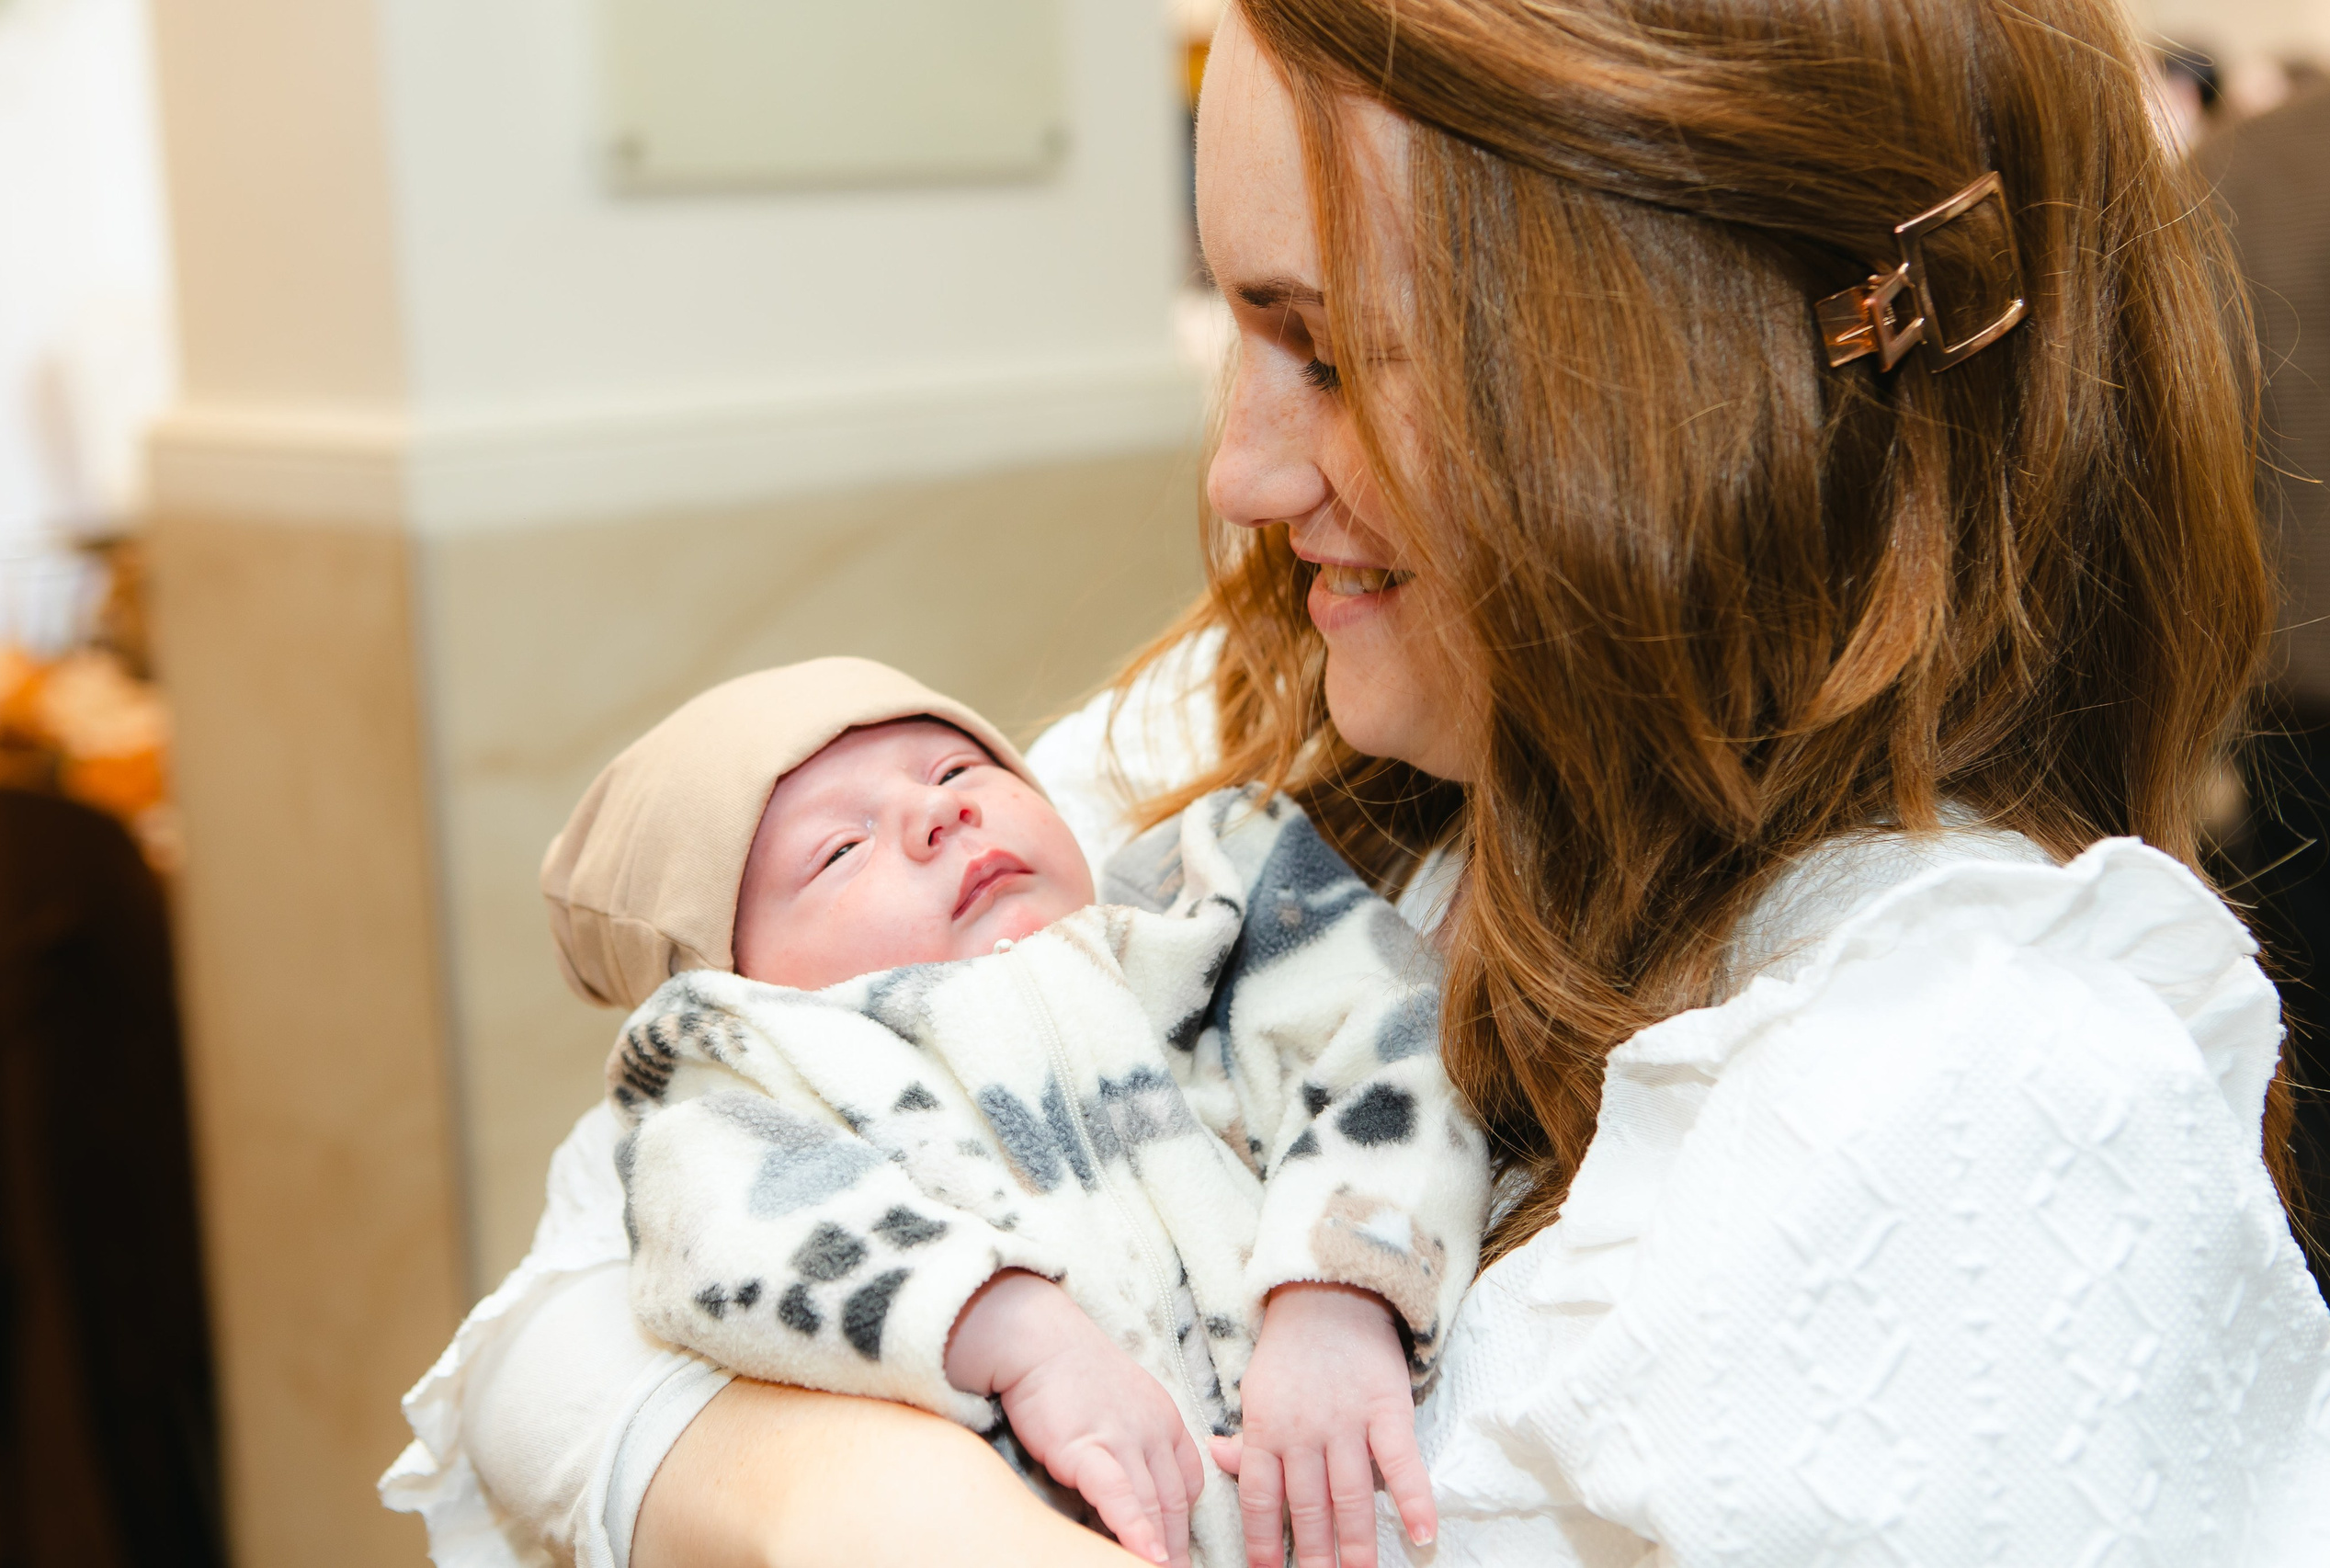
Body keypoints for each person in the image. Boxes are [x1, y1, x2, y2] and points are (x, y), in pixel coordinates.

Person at [382, 0, 2330, 1563]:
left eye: (1323, 351)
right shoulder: (1235, 744)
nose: (1234, 471)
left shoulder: (1978, 1095)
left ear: (1685, 388)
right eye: (1239, 323)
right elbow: (570, 1292)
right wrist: (859, 1502)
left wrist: (775, 1470)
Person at [529, 657, 1483, 1566]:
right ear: (738, 991)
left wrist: (1339, 1291)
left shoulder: (1208, 909)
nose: (939, 812)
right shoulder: (767, 1086)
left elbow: (1397, 1040)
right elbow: (723, 1229)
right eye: (841, 849)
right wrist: (1010, 1329)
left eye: (956, 768)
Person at [2200, 85, 2330, 1299]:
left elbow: (2200, 461)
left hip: (2296, 705)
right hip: (2296, 715)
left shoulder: (2231, 177)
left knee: (2313, 1047)